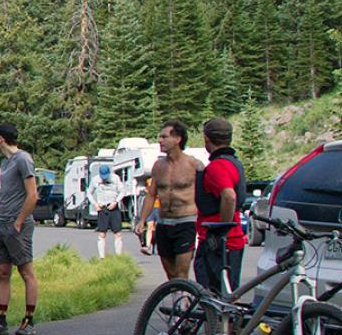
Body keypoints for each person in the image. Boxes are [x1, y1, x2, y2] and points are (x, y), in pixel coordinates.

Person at [0, 123, 39, 335]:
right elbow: (7, 193)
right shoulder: (5, 162)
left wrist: (19, 221)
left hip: (18, 225)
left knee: (26, 271)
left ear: (1, 139)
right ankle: (1, 319)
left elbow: (32, 194)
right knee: (3, 272)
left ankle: (29, 319)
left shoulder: (23, 159)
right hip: (2, 223)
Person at [134, 120, 202, 280]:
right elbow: (151, 195)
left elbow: (204, 193)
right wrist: (142, 220)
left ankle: (183, 303)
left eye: (164, 137)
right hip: (164, 223)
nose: (160, 140)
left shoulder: (193, 164)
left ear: (178, 139)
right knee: (170, 274)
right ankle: (178, 301)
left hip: (186, 222)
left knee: (181, 272)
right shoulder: (158, 166)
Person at [195, 117, 248, 297]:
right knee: (229, 295)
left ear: (206, 139)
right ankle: (226, 325)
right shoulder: (234, 162)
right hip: (234, 241)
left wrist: (221, 231)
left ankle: (215, 325)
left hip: (217, 243)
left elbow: (229, 196)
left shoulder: (218, 166)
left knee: (212, 296)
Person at [92, 168, 127, 258]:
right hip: (102, 208)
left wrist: (116, 201)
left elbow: (122, 191)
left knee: (118, 233)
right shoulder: (95, 179)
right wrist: (95, 204)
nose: (104, 178)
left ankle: (118, 256)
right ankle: (102, 257)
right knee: (102, 234)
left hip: (113, 207)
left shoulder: (115, 178)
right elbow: (89, 193)